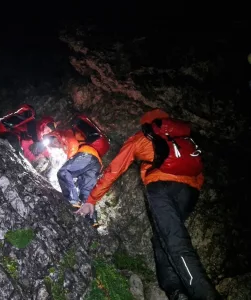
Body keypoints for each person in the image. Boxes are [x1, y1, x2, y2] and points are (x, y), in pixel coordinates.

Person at [76, 109, 222, 300]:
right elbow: (198, 170)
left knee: (175, 241)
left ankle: (204, 295)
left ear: (147, 124)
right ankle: (176, 292)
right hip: (190, 192)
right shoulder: (184, 139)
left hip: (161, 188)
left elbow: (114, 169)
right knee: (161, 238)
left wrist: (91, 199)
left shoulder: (142, 137)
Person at [45, 118, 106, 226]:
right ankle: (91, 219)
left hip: (86, 155)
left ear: (54, 135)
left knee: (64, 172)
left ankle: (73, 201)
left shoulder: (66, 134)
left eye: (53, 142)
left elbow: (73, 145)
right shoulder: (68, 141)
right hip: (96, 163)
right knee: (85, 191)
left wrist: (70, 161)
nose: (55, 145)